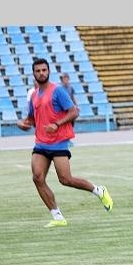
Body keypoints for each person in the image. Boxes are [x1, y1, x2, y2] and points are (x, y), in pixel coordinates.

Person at [17, 58, 113, 228]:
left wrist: (57, 124)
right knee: (37, 177)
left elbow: (73, 112)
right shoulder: (34, 95)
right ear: (34, 74)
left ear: (48, 71)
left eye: (44, 70)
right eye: (38, 71)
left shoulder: (58, 91)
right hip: (41, 143)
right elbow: (31, 119)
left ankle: (99, 190)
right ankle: (57, 216)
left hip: (59, 142)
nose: (41, 73)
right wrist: (23, 124)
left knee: (66, 179)